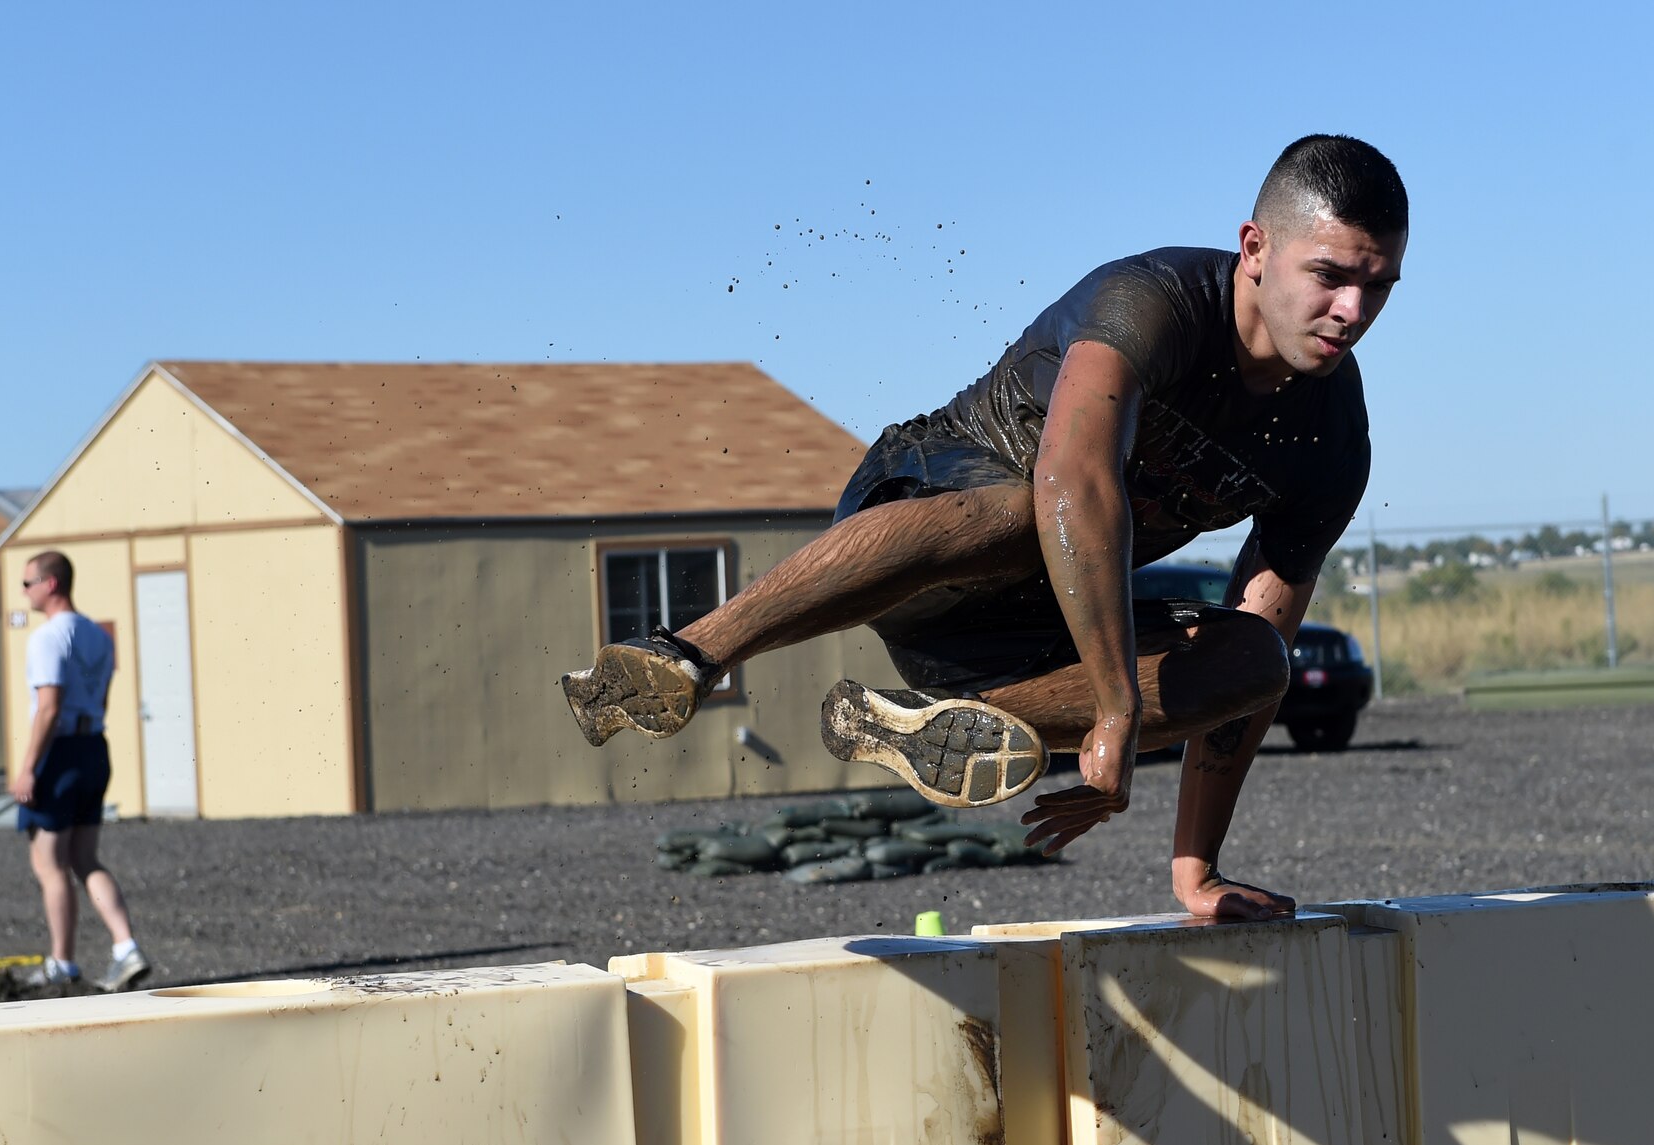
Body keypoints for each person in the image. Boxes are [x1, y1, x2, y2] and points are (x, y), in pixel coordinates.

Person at [564, 135, 1406, 921]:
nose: (1351, 309)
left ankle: (932, 720)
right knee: (1029, 508)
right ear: (1255, 249)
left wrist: (1197, 869)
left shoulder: (1332, 438)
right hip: (925, 522)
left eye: (1378, 286)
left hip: (1028, 626)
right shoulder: (1151, 304)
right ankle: (691, 651)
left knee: (1261, 660)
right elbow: (1073, 480)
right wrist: (1116, 709)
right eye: (1329, 274)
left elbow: (1259, 638)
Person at [11, 550, 153, 991]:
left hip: (63, 753)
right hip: (94, 747)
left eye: (27, 583)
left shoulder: (49, 637)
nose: (24, 592)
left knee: (49, 862)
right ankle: (125, 946)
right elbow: (103, 699)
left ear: (50, 584)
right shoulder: (97, 636)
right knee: (85, 858)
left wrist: (28, 768)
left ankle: (63, 963)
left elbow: (49, 708)